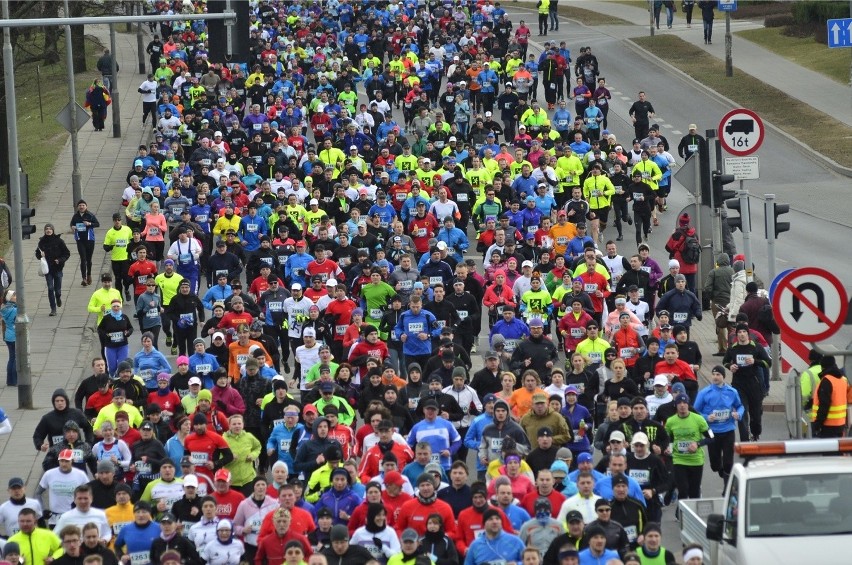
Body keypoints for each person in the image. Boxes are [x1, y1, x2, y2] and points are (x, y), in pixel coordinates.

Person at [664, 394, 711, 500]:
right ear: (675, 405)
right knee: (683, 490)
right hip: (679, 460)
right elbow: (668, 438)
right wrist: (668, 448)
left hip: (696, 460)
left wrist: (697, 444)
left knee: (694, 492)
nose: (682, 405)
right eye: (679, 403)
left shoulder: (698, 419)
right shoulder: (671, 421)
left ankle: (692, 514)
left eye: (684, 403)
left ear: (688, 404)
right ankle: (680, 514)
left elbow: (711, 437)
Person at [36, 223, 71, 316]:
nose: (48, 230)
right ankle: (53, 309)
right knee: (50, 288)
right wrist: (40, 255)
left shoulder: (59, 241)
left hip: (58, 268)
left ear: (53, 230)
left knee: (57, 290)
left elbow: (67, 253)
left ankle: (58, 297)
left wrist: (59, 260)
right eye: (46, 229)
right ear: (44, 231)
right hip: (48, 269)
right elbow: (37, 254)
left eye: (50, 229)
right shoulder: (41, 242)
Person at [70, 200, 100, 287]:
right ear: (77, 207)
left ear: (86, 207)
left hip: (90, 240)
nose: (81, 207)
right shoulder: (75, 216)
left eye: (83, 205)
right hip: (80, 240)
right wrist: (73, 227)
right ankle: (84, 278)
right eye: (80, 205)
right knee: (83, 259)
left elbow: (97, 224)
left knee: (88, 259)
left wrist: (89, 223)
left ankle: (89, 274)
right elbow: (72, 224)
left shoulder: (90, 215)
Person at [1, 291, 17, 385]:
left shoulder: (5, 309)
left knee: (11, 358)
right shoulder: (15, 310)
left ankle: (10, 380)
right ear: (10, 298)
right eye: (14, 295)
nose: (16, 297)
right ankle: (15, 380)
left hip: (8, 336)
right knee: (15, 358)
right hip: (15, 336)